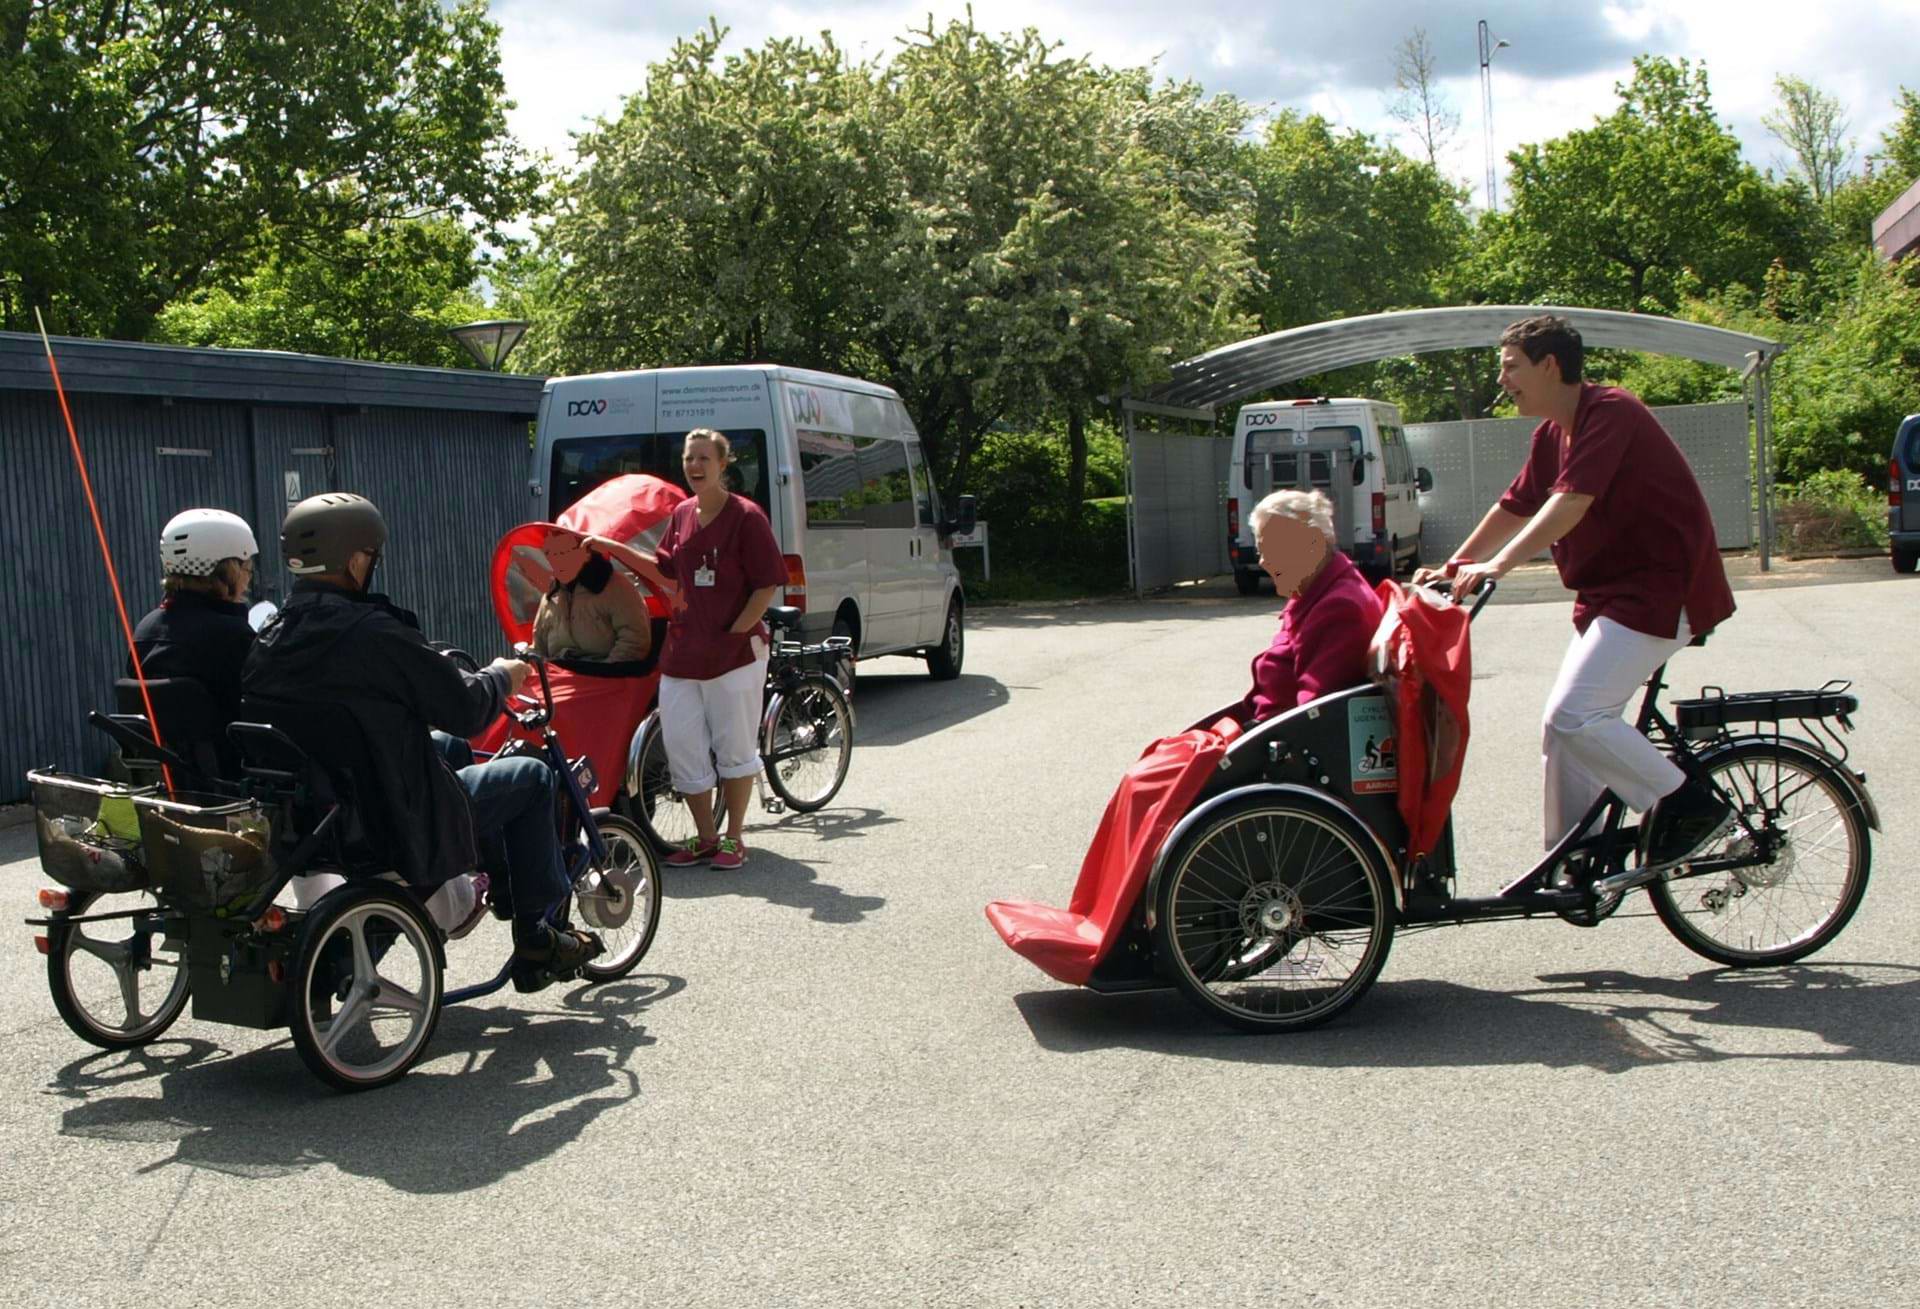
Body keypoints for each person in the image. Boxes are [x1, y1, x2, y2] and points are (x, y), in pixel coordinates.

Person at [242, 492, 599, 989]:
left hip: (316, 816)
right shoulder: (374, 634)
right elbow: (466, 708)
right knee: (532, 776)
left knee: (447, 748)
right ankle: (537, 934)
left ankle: (474, 879)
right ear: (355, 560)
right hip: (390, 817)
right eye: (371, 556)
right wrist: (502, 676)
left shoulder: (271, 636)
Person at [1415, 314, 1736, 865]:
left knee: (1576, 714)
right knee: (1563, 726)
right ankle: (1576, 856)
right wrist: (1456, 564)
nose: (1502, 380)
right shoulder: (1551, 434)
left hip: (1664, 592)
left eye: (1511, 367)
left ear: (1549, 365)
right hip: (1614, 597)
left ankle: (1690, 804)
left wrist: (1498, 565)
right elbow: (1515, 505)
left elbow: (1571, 502)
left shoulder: (1611, 412)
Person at [624, 430, 785, 870]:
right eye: (688, 458)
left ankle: (734, 837)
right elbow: (665, 569)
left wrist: (734, 632)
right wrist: (611, 552)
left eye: (703, 459)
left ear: (723, 464)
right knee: (682, 745)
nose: (694, 466)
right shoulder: (681, 514)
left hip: (735, 654)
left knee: (734, 745)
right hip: (684, 652)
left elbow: (766, 585)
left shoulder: (747, 517)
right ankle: (706, 836)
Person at [125, 508, 260, 776]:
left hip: (170, 779)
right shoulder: (232, 636)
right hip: (235, 781)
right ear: (227, 571)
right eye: (246, 567)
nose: (248, 577)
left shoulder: (145, 630)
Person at [1235, 489, 1386, 724]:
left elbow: (1314, 717)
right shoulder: (1310, 592)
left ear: (1314, 544)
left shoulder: (1340, 608)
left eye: (1273, 547)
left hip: (1284, 739)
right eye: (1260, 551)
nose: (1263, 561)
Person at [531, 528, 654, 663]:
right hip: (556, 671)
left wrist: (605, 670)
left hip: (603, 671)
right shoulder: (552, 593)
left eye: (563, 552)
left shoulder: (617, 587)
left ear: (587, 553)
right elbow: (538, 647)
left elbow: (635, 641)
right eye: (549, 553)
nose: (556, 560)